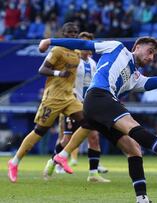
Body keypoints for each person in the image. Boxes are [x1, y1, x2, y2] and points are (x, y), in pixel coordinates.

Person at [38, 36, 157, 203]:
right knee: (132, 126)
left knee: (134, 149)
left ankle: (142, 199)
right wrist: (50, 41)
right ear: (137, 46)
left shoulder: (136, 78)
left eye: (154, 56)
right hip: (98, 96)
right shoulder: (116, 47)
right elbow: (84, 43)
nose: (150, 57)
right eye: (149, 52)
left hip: (98, 105)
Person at [7, 22, 91, 183]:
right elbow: (42, 70)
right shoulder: (57, 50)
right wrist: (59, 73)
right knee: (40, 131)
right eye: (69, 32)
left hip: (69, 97)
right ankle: (14, 161)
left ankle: (62, 156)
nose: (73, 34)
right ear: (63, 34)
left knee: (89, 122)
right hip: (52, 97)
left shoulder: (78, 53)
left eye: (75, 32)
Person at [43, 32, 109, 182]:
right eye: (83, 43)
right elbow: (66, 81)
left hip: (88, 106)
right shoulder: (74, 61)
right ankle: (52, 162)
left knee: (94, 137)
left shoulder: (93, 63)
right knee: (67, 139)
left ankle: (93, 174)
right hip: (72, 104)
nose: (86, 48)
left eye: (88, 44)